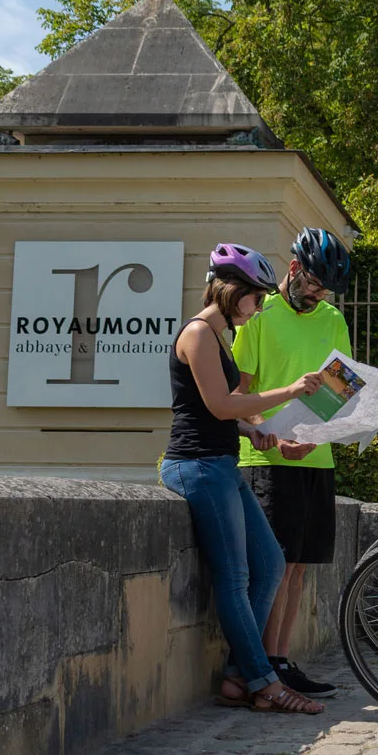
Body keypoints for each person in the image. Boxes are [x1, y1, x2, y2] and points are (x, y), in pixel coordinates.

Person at [159, 243, 327, 715]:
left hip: (221, 463)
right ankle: (263, 682)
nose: (258, 305)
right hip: (195, 466)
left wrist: (257, 431)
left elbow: (226, 415)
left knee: (270, 562)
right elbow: (218, 405)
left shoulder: (222, 337)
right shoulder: (197, 335)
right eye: (255, 295)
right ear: (232, 291)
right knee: (234, 577)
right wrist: (290, 391)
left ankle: (238, 675)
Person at [234, 227, 355, 698]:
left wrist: (312, 434)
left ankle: (282, 661)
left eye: (325, 288)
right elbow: (240, 394)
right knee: (275, 566)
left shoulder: (332, 319)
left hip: (316, 457)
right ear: (293, 269)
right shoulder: (259, 317)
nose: (319, 294)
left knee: (300, 566)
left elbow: (340, 388)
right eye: (314, 283)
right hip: (265, 456)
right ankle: (259, 668)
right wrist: (277, 436)